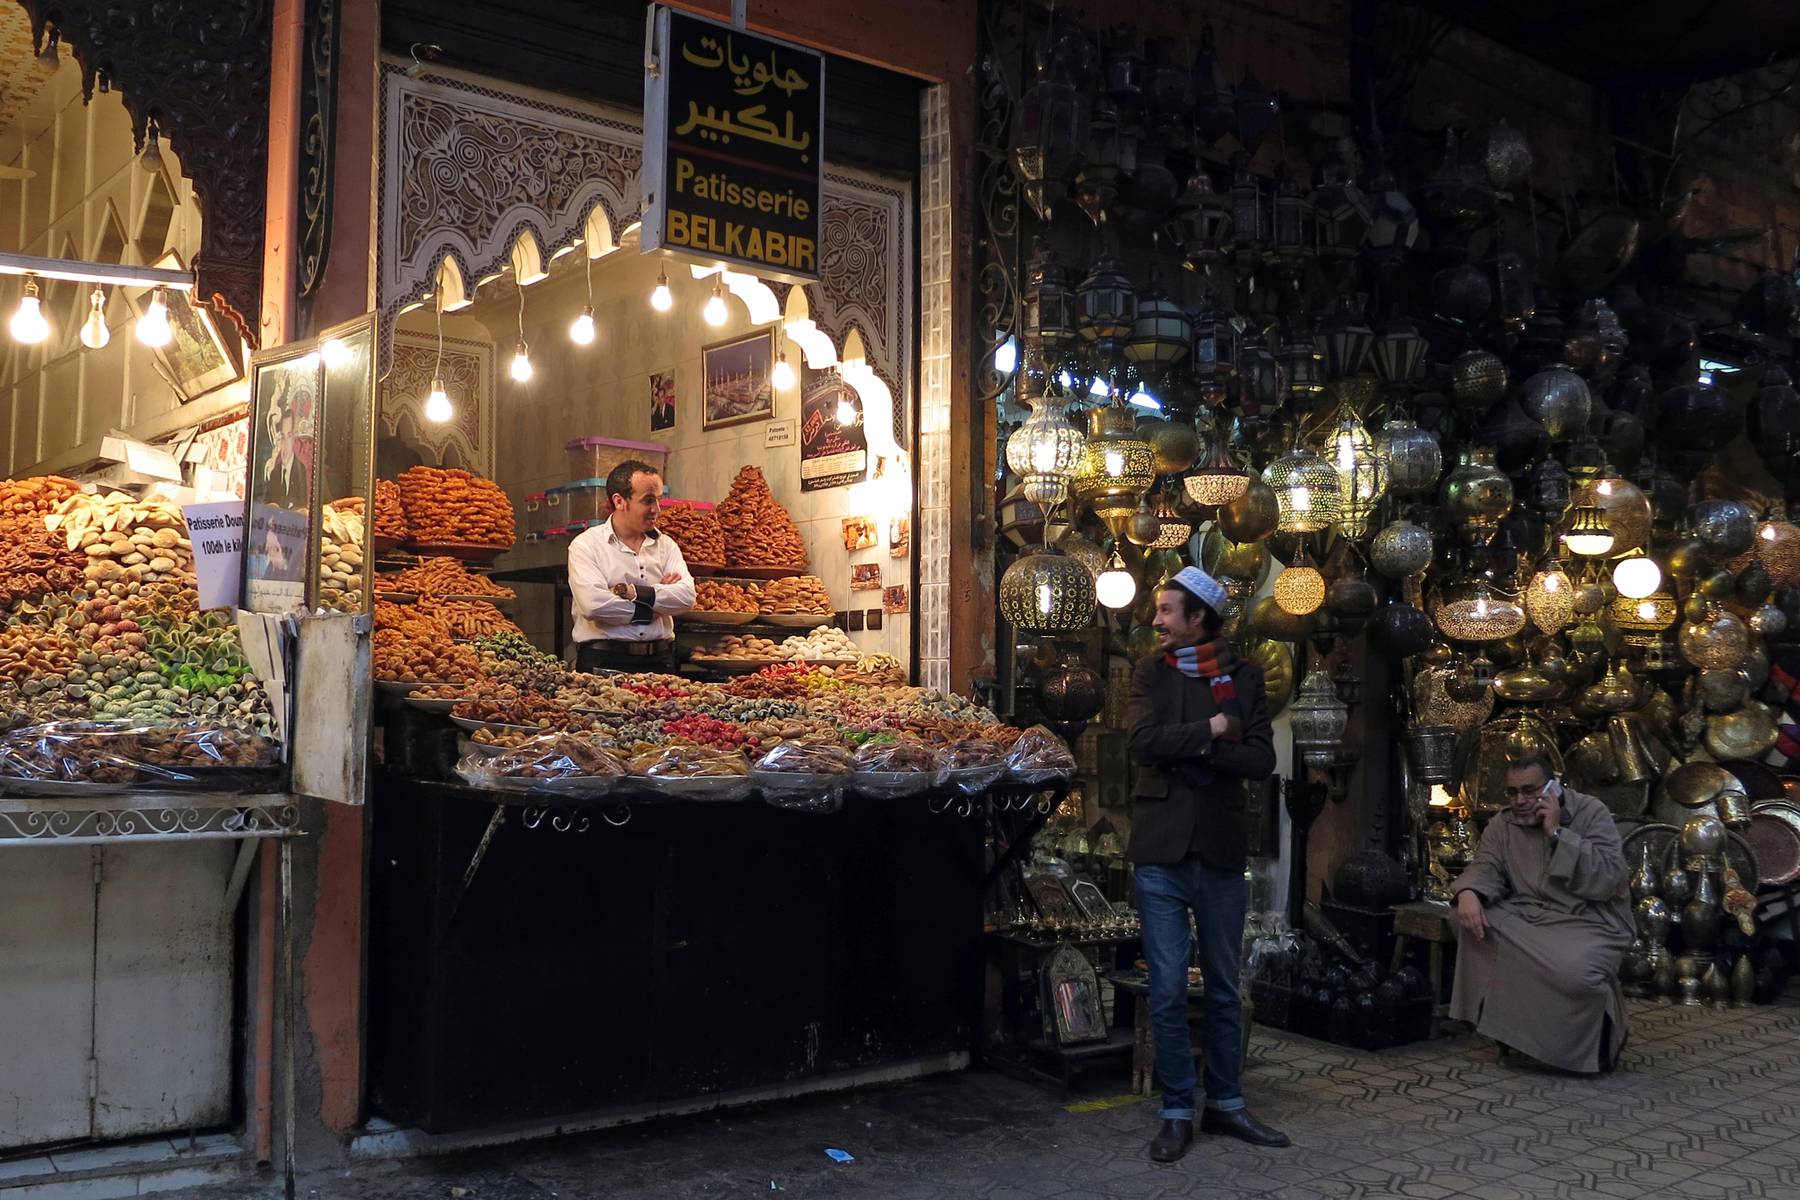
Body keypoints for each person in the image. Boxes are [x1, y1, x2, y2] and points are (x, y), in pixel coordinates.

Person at [1127, 566, 1287, 1163]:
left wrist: (1194, 749)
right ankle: (1175, 1112)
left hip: (1219, 850)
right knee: (1167, 990)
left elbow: (1261, 761)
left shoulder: (1244, 677)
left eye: (1167, 611)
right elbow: (1141, 742)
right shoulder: (1151, 673)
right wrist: (1213, 731)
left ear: (1199, 618)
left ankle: (1225, 1104)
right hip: (1161, 852)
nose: (1156, 620)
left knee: (1223, 989)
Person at [1449, 753, 1633, 1074]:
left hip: (1590, 921)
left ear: (1552, 786)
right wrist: (1467, 893)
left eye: (1530, 791)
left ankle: (1597, 1040)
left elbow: (1610, 878)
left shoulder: (1591, 812)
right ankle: (1514, 1037)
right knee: (1470, 922)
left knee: (1573, 973)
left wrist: (1557, 834)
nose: (1520, 800)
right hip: (1531, 918)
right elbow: (1486, 865)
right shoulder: (1503, 823)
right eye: (1512, 792)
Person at [566, 459, 695, 673]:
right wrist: (653, 609)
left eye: (659, 500)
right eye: (648, 501)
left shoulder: (666, 546)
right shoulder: (585, 546)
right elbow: (594, 605)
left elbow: (686, 597)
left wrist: (632, 593)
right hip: (603, 663)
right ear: (619, 501)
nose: (657, 510)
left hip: (660, 662)